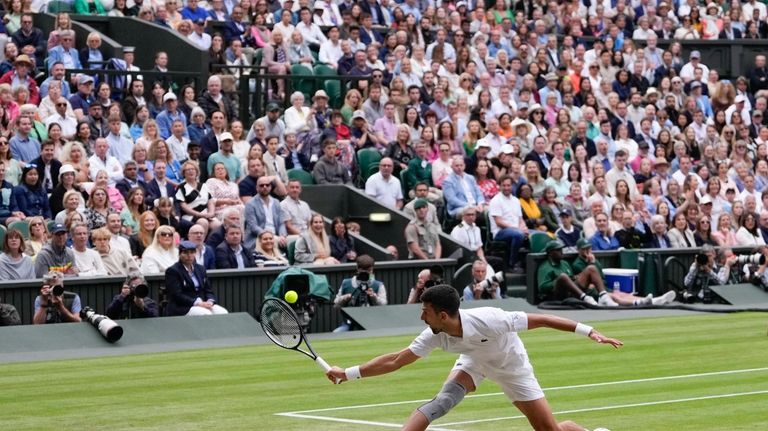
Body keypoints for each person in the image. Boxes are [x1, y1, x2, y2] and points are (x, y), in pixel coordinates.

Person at [325, 285, 622, 431]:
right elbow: (396, 360)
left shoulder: (491, 319)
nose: (420, 315)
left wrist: (590, 331)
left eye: (425, 311)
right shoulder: (434, 332)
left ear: (442, 315)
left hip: (511, 366)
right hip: (473, 361)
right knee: (443, 401)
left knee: (550, 430)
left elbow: (542, 319)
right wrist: (347, 373)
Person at [165, 240, 229, 316]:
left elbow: (208, 290)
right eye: (185, 253)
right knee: (206, 314)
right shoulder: (173, 271)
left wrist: (210, 301)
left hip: (203, 303)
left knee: (223, 312)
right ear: (179, 254)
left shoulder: (200, 269)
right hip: (183, 307)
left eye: (192, 252)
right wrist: (197, 303)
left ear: (195, 253)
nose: (189, 256)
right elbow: (177, 295)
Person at [332, 254, 387, 332]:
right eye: (363, 271)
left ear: (372, 270)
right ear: (358, 269)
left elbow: (384, 304)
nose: (366, 274)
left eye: (368, 271)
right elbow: (336, 304)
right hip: (349, 324)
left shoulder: (378, 285)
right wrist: (345, 298)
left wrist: (374, 297)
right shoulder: (346, 283)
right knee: (337, 333)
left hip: (373, 324)